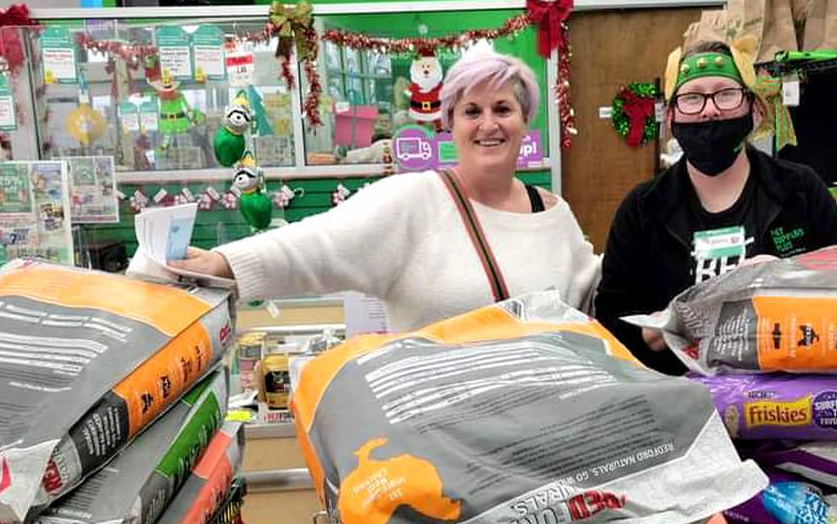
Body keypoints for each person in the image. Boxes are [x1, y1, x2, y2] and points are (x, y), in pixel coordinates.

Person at [171, 50, 599, 330]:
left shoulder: (551, 212)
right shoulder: (414, 200)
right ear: (450, 124)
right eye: (472, 111)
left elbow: (593, 295)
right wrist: (222, 262)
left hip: (539, 437)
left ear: (525, 121)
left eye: (503, 109)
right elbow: (317, 244)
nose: (489, 123)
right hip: (439, 446)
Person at [595, 38, 837, 373]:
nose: (710, 109)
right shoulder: (643, 209)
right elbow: (609, 324)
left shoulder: (799, 190)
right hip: (683, 402)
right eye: (692, 98)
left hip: (787, 400)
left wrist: (784, 277)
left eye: (725, 94)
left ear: (755, 109)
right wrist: (655, 330)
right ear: (671, 117)